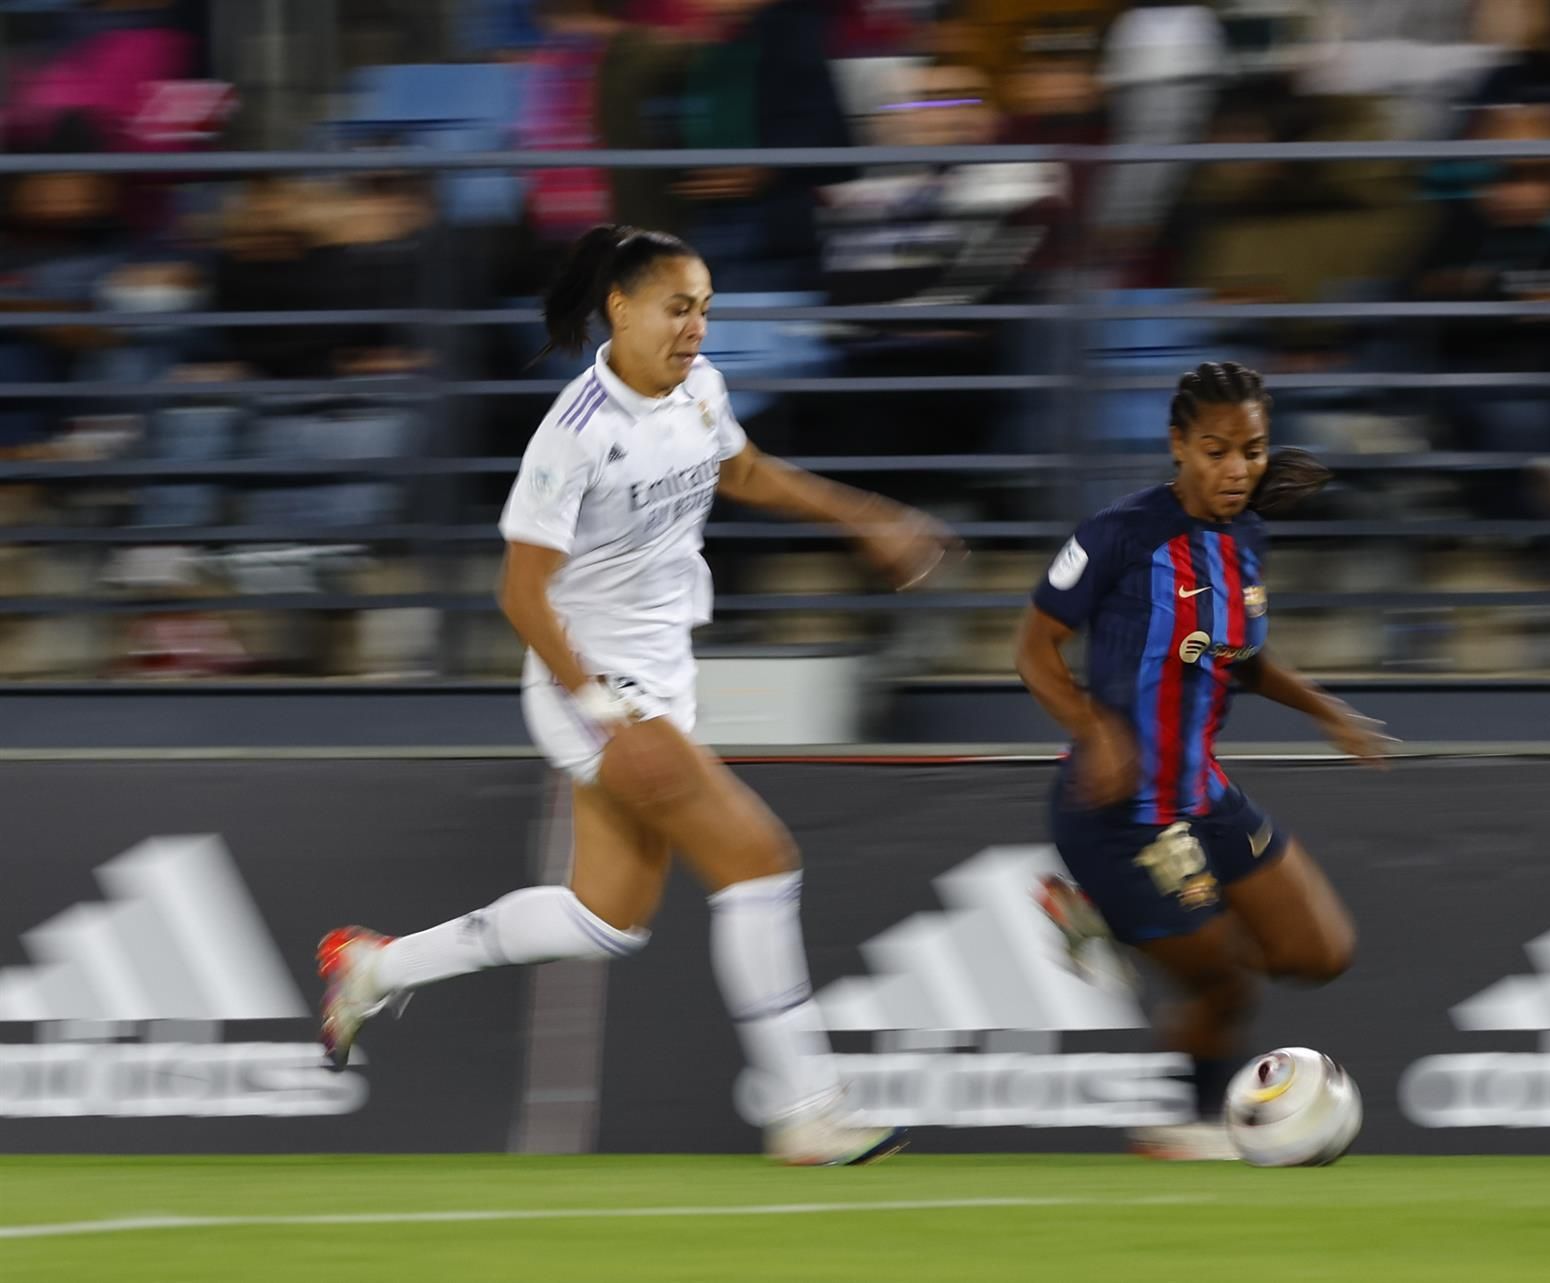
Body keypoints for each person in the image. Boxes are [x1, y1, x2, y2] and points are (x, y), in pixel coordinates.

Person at [316, 225, 954, 1166]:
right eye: (676, 306)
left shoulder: (700, 388)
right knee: (760, 860)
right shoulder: (573, 435)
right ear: (620, 308)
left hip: (661, 676)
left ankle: (373, 966)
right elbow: (520, 596)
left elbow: (741, 470)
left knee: (603, 918)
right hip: (592, 682)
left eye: (704, 308)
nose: (695, 327)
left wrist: (867, 513)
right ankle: (807, 1107)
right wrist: (608, 710)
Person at [1014, 361, 1391, 1161]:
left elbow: (1242, 657)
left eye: (1251, 451)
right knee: (1223, 982)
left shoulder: (1245, 532)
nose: (1236, 469)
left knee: (1319, 952)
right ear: (1178, 444)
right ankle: (1180, 1122)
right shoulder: (1119, 534)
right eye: (1216, 450)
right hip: (1119, 811)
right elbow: (1033, 647)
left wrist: (1331, 712)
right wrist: (1094, 727)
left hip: (1201, 793)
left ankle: (1110, 923)